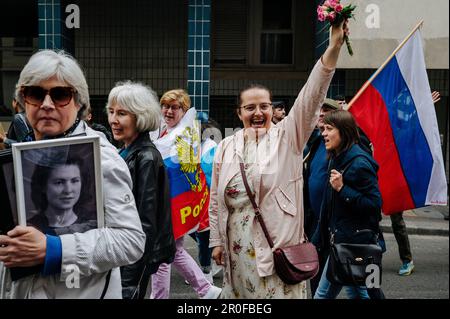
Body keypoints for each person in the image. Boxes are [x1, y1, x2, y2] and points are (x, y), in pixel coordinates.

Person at [209, 20, 349, 299]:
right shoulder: (225, 146)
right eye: (250, 108)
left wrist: (333, 48)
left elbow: (312, 94)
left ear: (273, 110)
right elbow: (215, 197)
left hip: (276, 251)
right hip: (237, 253)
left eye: (264, 106)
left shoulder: (288, 138)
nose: (258, 113)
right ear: (239, 114)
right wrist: (216, 242)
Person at [0, 49, 145, 299]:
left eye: (60, 95)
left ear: (78, 103)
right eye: (35, 93)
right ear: (23, 100)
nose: (47, 105)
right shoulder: (20, 154)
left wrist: (54, 250)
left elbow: (130, 241)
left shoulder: (101, 157)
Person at [106, 81, 176, 299]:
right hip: (122, 252)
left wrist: (130, 281)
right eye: (111, 112)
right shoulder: (125, 151)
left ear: (140, 117)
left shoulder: (146, 157)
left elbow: (146, 222)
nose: (113, 120)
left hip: (133, 258)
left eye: (122, 113)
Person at [151, 89, 222, 299]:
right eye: (165, 106)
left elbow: (178, 171)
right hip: (169, 203)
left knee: (162, 254)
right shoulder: (162, 131)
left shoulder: (183, 135)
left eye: (175, 107)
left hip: (173, 204)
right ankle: (206, 289)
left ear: (183, 111)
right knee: (175, 251)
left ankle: (161, 296)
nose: (168, 111)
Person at [312, 110, 384, 299]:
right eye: (323, 129)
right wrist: (318, 238)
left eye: (329, 129)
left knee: (322, 295)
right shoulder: (336, 157)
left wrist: (343, 189)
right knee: (361, 292)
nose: (323, 133)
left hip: (354, 245)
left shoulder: (359, 163)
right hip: (345, 243)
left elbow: (375, 205)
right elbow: (328, 207)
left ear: (343, 131)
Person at [303, 98, 369, 298]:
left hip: (349, 233)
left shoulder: (358, 155)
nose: (321, 115)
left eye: (327, 111)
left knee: (364, 289)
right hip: (322, 224)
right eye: (318, 111)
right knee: (322, 284)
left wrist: (342, 189)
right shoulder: (316, 142)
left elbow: (372, 204)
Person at [28, 154, 97, 236]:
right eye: (59, 182)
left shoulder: (94, 222)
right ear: (43, 186)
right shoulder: (30, 228)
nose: (68, 190)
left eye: (74, 181)